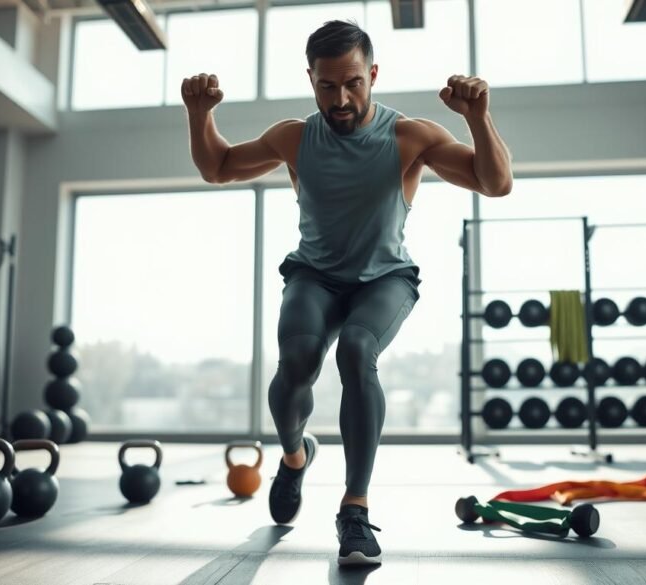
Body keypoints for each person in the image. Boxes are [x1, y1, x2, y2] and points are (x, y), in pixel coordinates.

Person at [182, 19, 512, 567]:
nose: (341, 98)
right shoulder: (294, 136)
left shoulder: (410, 136)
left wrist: (478, 117)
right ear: (310, 79)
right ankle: (294, 458)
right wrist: (199, 114)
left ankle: (353, 510)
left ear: (373, 75)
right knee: (296, 365)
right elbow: (217, 168)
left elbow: (494, 181)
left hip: (384, 280)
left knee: (357, 352)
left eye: (353, 83)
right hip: (314, 276)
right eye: (327, 85)